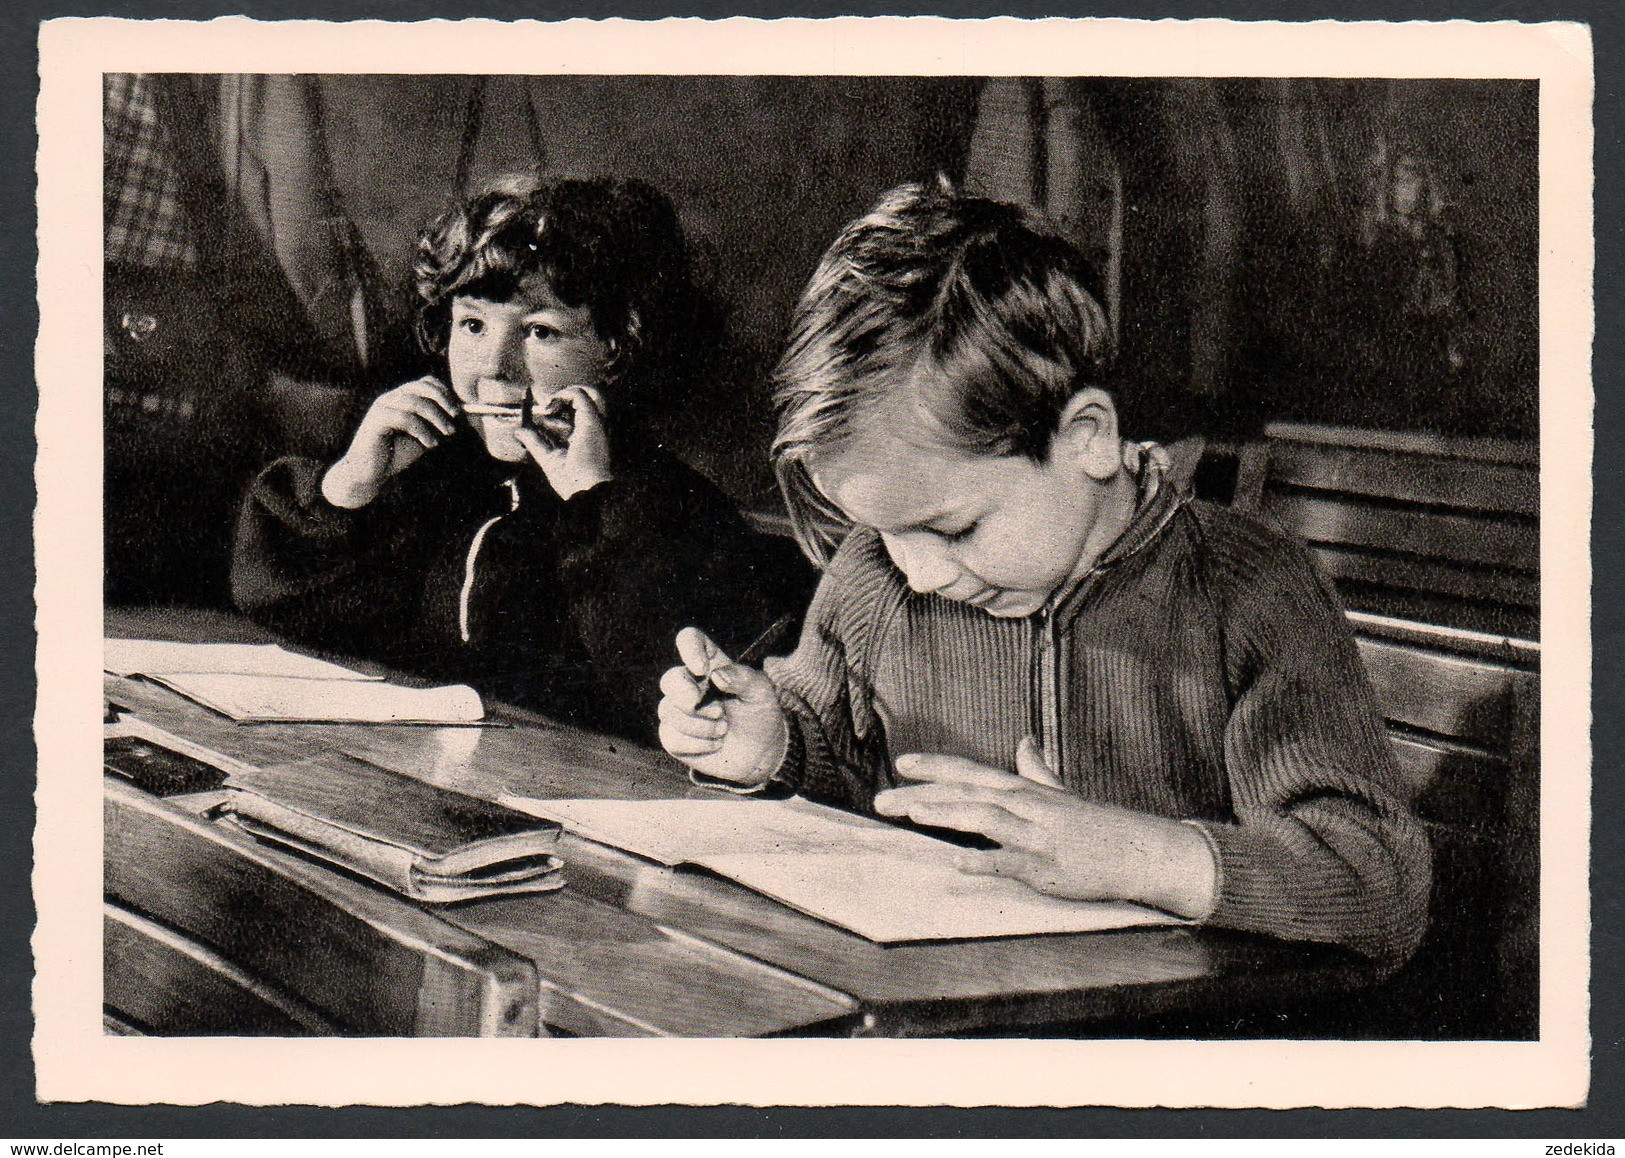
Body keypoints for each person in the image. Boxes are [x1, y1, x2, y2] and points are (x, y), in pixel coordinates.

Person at [656, 180, 1431, 966]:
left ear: (1087, 437)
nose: (919, 574)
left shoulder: (1249, 591)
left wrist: (1139, 857)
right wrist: (769, 745)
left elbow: (1377, 888)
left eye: (953, 528)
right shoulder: (875, 574)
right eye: (884, 533)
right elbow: (836, 754)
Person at [233, 175, 810, 743]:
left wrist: (595, 503)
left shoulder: (671, 509)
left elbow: (671, 696)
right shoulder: (430, 472)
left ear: (616, 347)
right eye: (473, 324)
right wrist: (351, 489)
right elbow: (284, 613)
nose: (494, 368)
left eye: (539, 332)